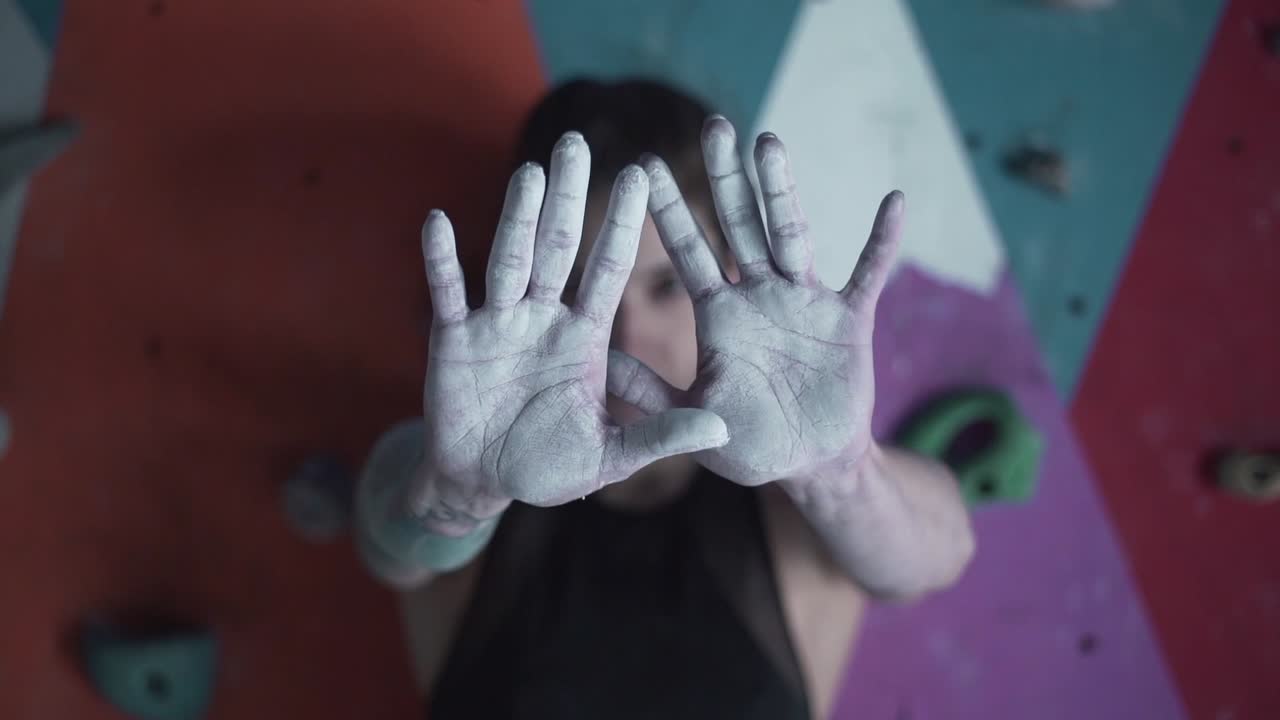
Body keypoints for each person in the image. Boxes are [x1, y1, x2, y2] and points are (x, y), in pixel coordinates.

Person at [353, 79, 976, 720]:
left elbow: (940, 554)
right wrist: (461, 498)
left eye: (665, 287)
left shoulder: (791, 487)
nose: (625, 338)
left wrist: (841, 477)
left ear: (732, 275)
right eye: (580, 292)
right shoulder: (475, 461)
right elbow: (390, 544)